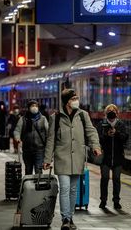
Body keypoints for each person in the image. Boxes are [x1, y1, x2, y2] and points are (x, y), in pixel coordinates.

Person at [43, 89, 101, 230]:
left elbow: (91, 131)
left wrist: (95, 146)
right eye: (73, 98)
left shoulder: (83, 115)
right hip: (62, 158)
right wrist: (47, 159)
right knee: (65, 188)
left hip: (78, 158)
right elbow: (50, 140)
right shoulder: (55, 118)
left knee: (73, 189)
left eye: (77, 97)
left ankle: (71, 217)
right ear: (67, 101)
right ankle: (65, 219)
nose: (76, 100)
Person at [98, 104, 128, 209]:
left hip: (118, 157)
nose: (111, 112)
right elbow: (98, 139)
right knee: (104, 178)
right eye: (109, 110)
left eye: (113, 110)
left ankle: (116, 201)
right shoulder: (102, 124)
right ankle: (103, 200)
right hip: (105, 157)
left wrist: (117, 133)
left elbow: (125, 138)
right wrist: (107, 135)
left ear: (117, 113)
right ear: (106, 113)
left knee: (116, 179)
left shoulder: (121, 125)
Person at [14, 100, 49, 175]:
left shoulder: (43, 119)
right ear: (29, 108)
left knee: (38, 170)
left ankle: (38, 186)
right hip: (27, 150)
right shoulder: (23, 119)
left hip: (39, 150)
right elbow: (17, 130)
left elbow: (48, 133)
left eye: (36, 106)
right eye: (32, 106)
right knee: (28, 170)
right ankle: (28, 186)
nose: (34, 108)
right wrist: (17, 138)